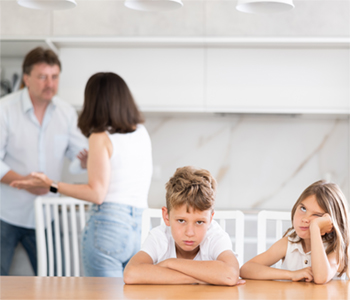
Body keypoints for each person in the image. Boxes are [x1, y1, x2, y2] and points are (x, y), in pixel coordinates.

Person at [11, 72, 153, 277]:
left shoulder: (100, 137)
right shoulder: (141, 132)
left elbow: (97, 194)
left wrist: (51, 184)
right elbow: (123, 171)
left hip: (109, 226)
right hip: (140, 228)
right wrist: (92, 164)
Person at [0, 47, 88, 276]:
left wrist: (89, 160)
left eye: (54, 76)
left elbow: (79, 156)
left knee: (55, 281)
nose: (50, 83)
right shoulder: (5, 110)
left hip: (46, 215)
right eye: (42, 77)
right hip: (5, 213)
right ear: (27, 79)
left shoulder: (66, 113)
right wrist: (25, 182)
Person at [124, 166, 244, 286]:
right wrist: (204, 277)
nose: (190, 232)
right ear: (166, 216)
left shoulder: (215, 236)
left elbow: (230, 274)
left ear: (210, 219)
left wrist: (171, 263)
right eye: (181, 220)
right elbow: (131, 274)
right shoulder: (159, 237)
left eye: (199, 222)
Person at [240, 180, 350, 284]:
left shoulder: (336, 250)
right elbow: (246, 269)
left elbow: (320, 277)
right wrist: (291, 274)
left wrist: (315, 228)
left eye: (316, 215)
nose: (305, 219)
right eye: (303, 209)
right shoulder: (289, 244)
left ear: (330, 224)